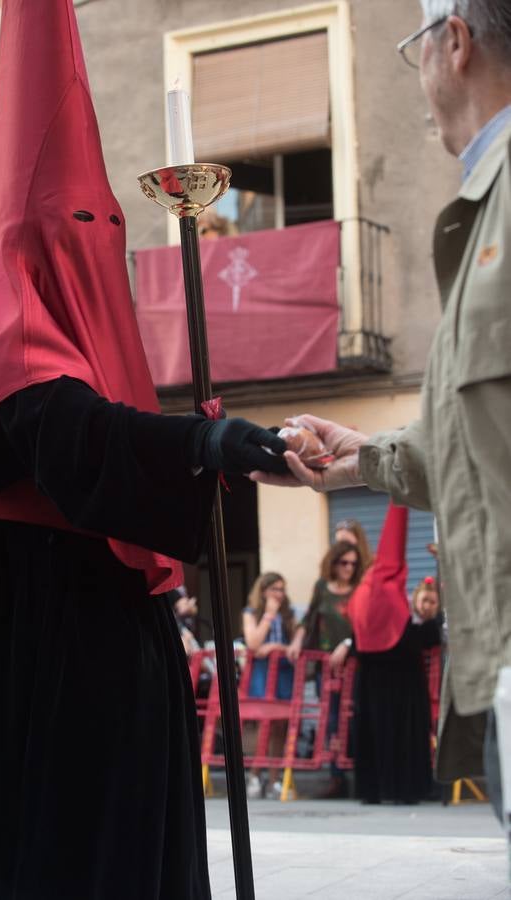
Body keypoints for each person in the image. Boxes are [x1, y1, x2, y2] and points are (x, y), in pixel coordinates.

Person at [0, 2, 289, 898]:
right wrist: (211, 441)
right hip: (22, 648)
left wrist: (198, 439)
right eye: (77, 220)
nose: (96, 240)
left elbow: (111, 443)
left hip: (77, 634)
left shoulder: (63, 329)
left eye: (105, 222)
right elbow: (79, 440)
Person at [252, 0, 511, 823]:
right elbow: (470, 448)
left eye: (413, 49)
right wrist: (360, 457)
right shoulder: (484, 204)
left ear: (455, 44)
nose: (419, 77)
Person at [343, 503, 441, 804]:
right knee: (403, 731)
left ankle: (374, 789)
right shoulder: (384, 589)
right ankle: (404, 788)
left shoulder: (362, 592)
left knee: (375, 731)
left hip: (372, 679)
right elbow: (418, 636)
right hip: (402, 681)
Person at [288, 541, 363, 798]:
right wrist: (297, 641)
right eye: (344, 563)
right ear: (334, 562)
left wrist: (347, 644)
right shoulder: (322, 587)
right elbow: (308, 618)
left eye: (354, 564)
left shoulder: (360, 589)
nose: (349, 568)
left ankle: (358, 774)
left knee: (352, 717)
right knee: (331, 718)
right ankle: (337, 778)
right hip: (325, 665)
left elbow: (363, 624)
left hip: (354, 663)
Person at [242, 572, 295, 799]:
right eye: (274, 589)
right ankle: (254, 774)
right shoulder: (251, 612)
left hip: (283, 671)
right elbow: (253, 642)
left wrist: (275, 646)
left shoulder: (289, 614)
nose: (279, 594)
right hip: (262, 672)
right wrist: (269, 616)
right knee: (264, 722)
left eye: (282, 589)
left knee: (280, 726)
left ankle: (274, 779)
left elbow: (294, 644)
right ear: (263, 591)